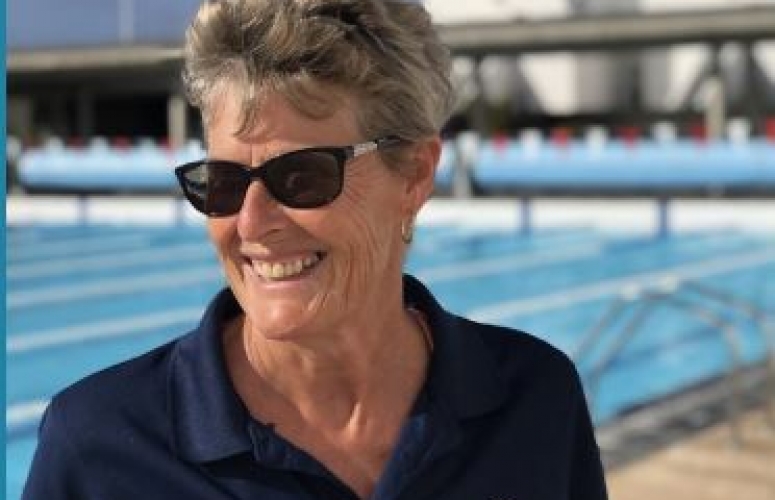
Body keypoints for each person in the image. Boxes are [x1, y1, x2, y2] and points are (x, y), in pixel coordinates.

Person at [22, 0, 608, 499]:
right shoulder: (99, 451)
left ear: (415, 174)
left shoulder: (535, 403)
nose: (251, 222)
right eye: (222, 183)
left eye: (301, 177)